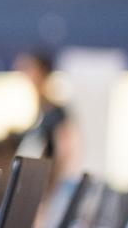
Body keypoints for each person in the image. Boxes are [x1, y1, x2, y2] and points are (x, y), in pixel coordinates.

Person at [14, 47, 80, 183]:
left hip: (48, 186)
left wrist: (52, 186)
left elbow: (66, 153)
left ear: (42, 72)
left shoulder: (56, 113)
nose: (26, 75)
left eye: (29, 69)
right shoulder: (40, 114)